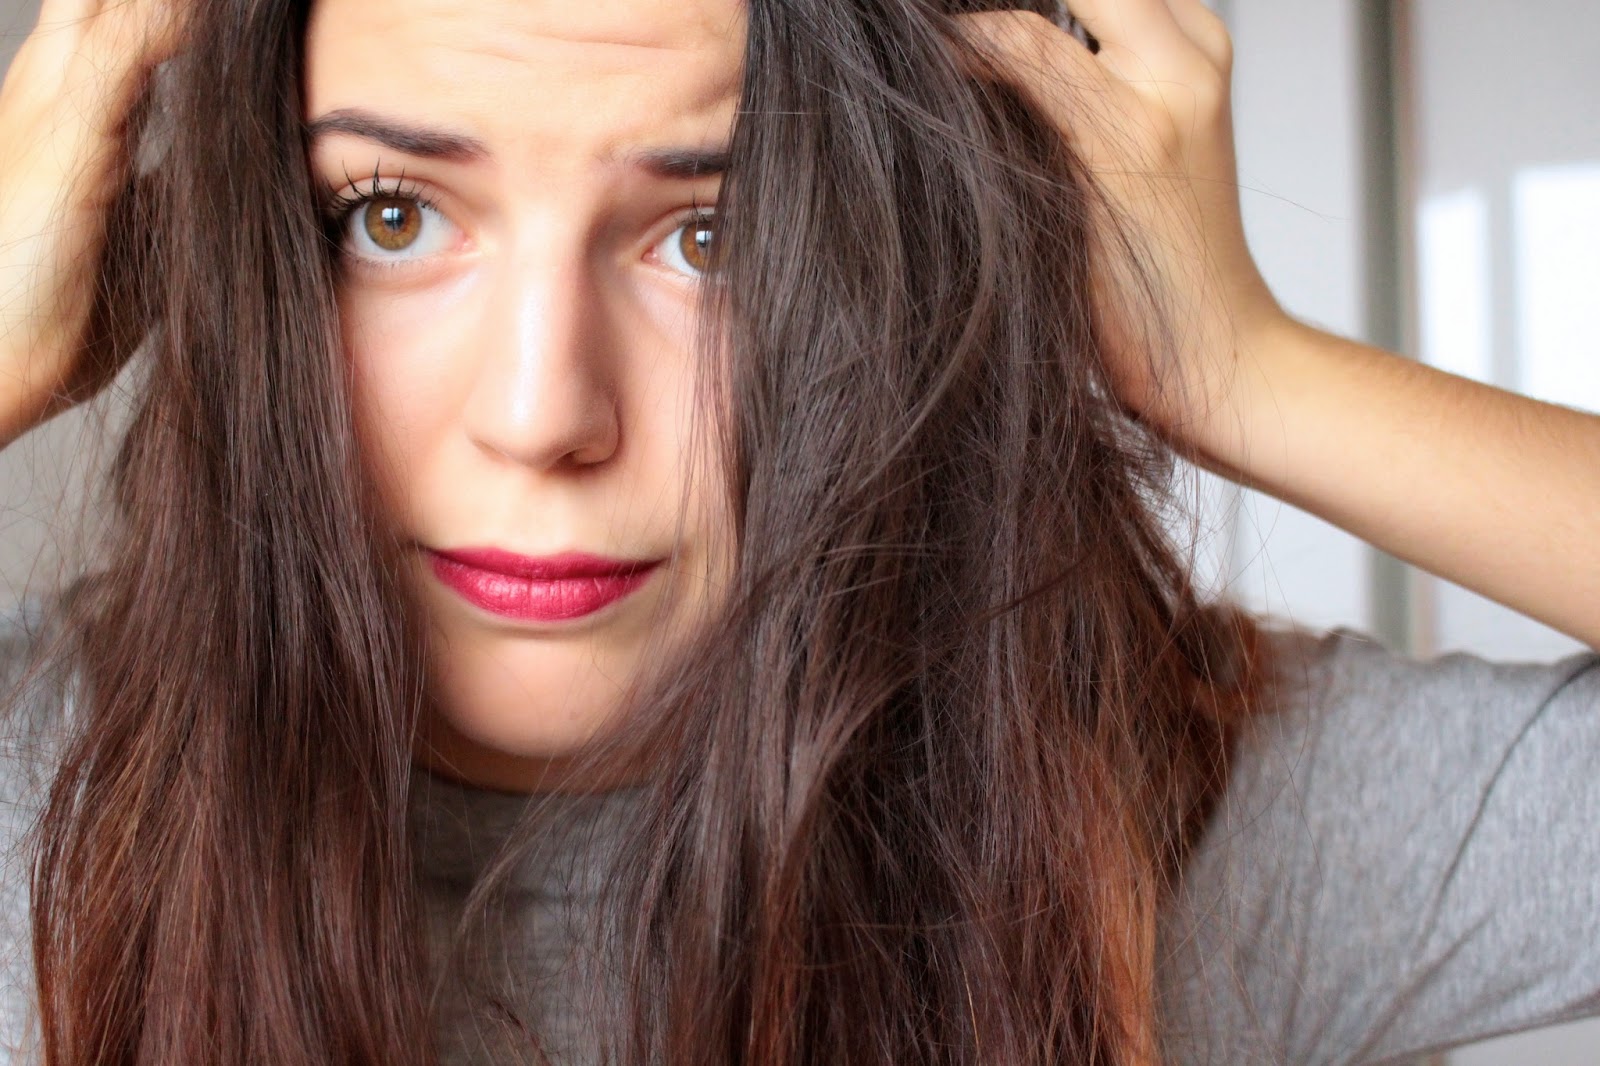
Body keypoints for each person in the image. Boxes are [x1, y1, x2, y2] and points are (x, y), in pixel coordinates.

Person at [0, 0, 1595, 1063]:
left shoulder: (1156, 820)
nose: (541, 411)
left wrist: (1249, 371)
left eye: (719, 233)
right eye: (392, 216)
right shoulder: (46, 789)